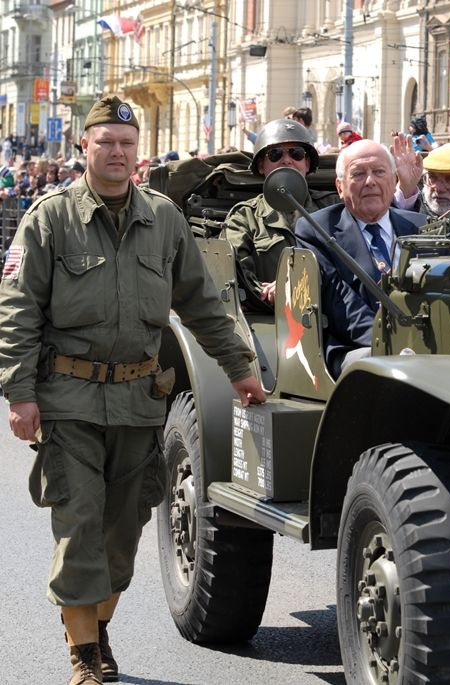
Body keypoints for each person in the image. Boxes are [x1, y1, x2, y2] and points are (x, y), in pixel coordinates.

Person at [0, 96, 265, 685]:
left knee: (122, 536)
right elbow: (17, 310)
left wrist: (239, 368)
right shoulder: (49, 218)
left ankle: (94, 626)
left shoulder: (164, 218)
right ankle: (86, 660)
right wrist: (20, 394)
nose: (117, 153)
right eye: (105, 143)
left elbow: (200, 301)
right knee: (79, 526)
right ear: (84, 148)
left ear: (136, 151)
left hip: (138, 400)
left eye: (126, 143)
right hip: (67, 399)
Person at [294, 140, 424, 375]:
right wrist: (391, 343)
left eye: (379, 172)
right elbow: (340, 304)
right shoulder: (317, 230)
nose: (370, 181)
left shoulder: (420, 226)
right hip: (357, 347)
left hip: (422, 345)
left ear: (394, 180)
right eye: (358, 174)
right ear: (340, 186)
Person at [222, 119, 338, 312]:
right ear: (261, 165)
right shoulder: (244, 217)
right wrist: (270, 293)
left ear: (307, 163)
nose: (287, 160)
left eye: (296, 153)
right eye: (275, 154)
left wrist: (297, 287)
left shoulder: (332, 208)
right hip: (273, 319)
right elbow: (236, 273)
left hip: (332, 315)